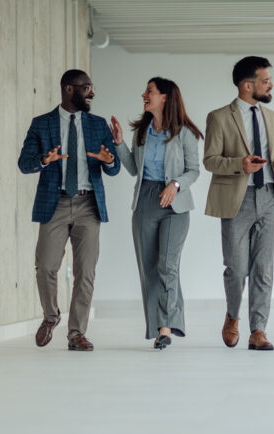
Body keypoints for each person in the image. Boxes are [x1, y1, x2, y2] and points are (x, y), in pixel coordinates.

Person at [18, 69, 120, 351]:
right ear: (69, 90)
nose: (92, 93)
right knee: (46, 266)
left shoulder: (98, 125)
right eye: (87, 88)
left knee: (85, 272)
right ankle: (51, 316)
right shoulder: (42, 124)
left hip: (89, 204)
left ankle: (76, 333)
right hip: (56, 203)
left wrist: (109, 161)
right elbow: (24, 163)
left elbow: (114, 168)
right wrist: (43, 159)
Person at [203, 56, 274, 351]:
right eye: (266, 81)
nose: (271, 85)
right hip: (235, 200)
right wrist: (240, 164)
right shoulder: (219, 117)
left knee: (264, 268)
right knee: (237, 268)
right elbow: (210, 161)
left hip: (268, 195)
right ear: (247, 85)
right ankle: (232, 316)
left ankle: (258, 330)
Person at [110, 77, 202, 350]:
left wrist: (175, 184)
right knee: (149, 269)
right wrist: (118, 144)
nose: (144, 95)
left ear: (164, 97)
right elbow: (133, 168)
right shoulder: (142, 131)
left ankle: (167, 327)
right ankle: (157, 325)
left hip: (175, 204)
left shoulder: (184, 132)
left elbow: (194, 171)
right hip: (145, 200)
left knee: (167, 265)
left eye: (149, 91)